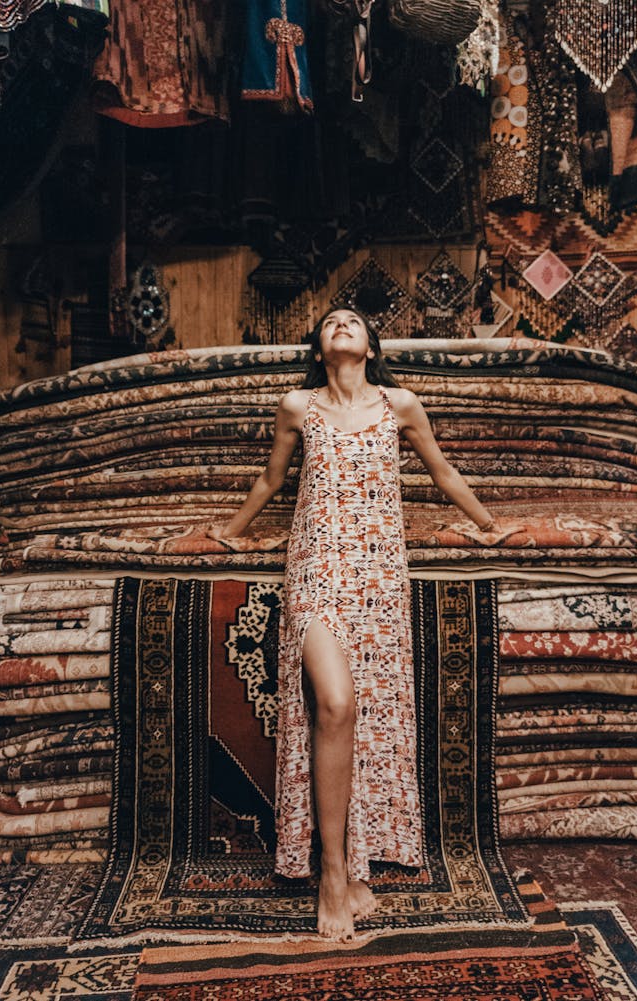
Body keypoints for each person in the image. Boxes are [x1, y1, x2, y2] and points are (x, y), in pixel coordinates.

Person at [208, 307, 515, 942]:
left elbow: (443, 471)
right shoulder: (297, 406)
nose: (342, 324)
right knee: (335, 703)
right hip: (317, 570)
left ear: (371, 346)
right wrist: (229, 532)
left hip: (378, 582)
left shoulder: (401, 404)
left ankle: (353, 867)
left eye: (353, 320)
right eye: (331, 322)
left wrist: (491, 524)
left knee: (359, 714)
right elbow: (271, 479)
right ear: (320, 349)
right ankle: (332, 873)